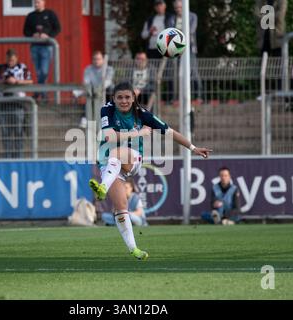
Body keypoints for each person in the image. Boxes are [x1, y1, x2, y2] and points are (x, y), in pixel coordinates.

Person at [88, 81, 212, 260]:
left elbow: (170, 132)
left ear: (133, 98)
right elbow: (109, 136)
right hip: (109, 166)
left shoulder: (142, 114)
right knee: (121, 209)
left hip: (132, 159)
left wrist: (193, 148)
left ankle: (102, 188)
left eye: (127, 97)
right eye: (120, 97)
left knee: (116, 152)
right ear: (113, 99)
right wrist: (139, 133)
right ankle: (134, 249)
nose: (123, 101)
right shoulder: (106, 110)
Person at [0, 49, 33, 158]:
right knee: (6, 132)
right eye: (9, 60)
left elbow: (30, 81)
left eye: (12, 60)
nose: (10, 62)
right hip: (3, 103)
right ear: (6, 58)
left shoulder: (22, 67)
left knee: (19, 131)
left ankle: (19, 156)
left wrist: (18, 82)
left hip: (18, 103)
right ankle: (7, 157)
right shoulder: (0, 68)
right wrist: (4, 81)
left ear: (16, 59)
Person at [23, 0, 61, 100]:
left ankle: (37, 92)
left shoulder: (50, 14)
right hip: (35, 46)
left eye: (38, 2)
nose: (36, 4)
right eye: (35, 2)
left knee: (44, 71)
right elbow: (25, 31)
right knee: (39, 72)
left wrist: (48, 36)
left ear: (43, 2)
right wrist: (32, 35)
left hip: (47, 46)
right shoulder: (31, 16)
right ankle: (43, 95)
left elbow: (57, 28)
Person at [168, 0, 202, 102]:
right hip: (175, 49)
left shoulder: (192, 16)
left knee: (194, 72)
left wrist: (177, 35)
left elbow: (191, 30)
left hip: (189, 48)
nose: (178, 10)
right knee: (174, 73)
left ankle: (199, 96)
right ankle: (174, 98)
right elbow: (169, 32)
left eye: (180, 7)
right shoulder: (172, 18)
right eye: (176, 8)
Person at [79, 51, 115, 128]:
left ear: (103, 60)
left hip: (105, 91)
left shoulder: (109, 69)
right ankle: (85, 117)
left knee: (110, 90)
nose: (96, 61)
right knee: (88, 92)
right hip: (93, 91)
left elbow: (108, 81)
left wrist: (100, 88)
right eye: (95, 59)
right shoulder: (88, 69)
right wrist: (92, 89)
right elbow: (86, 81)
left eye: (98, 59)